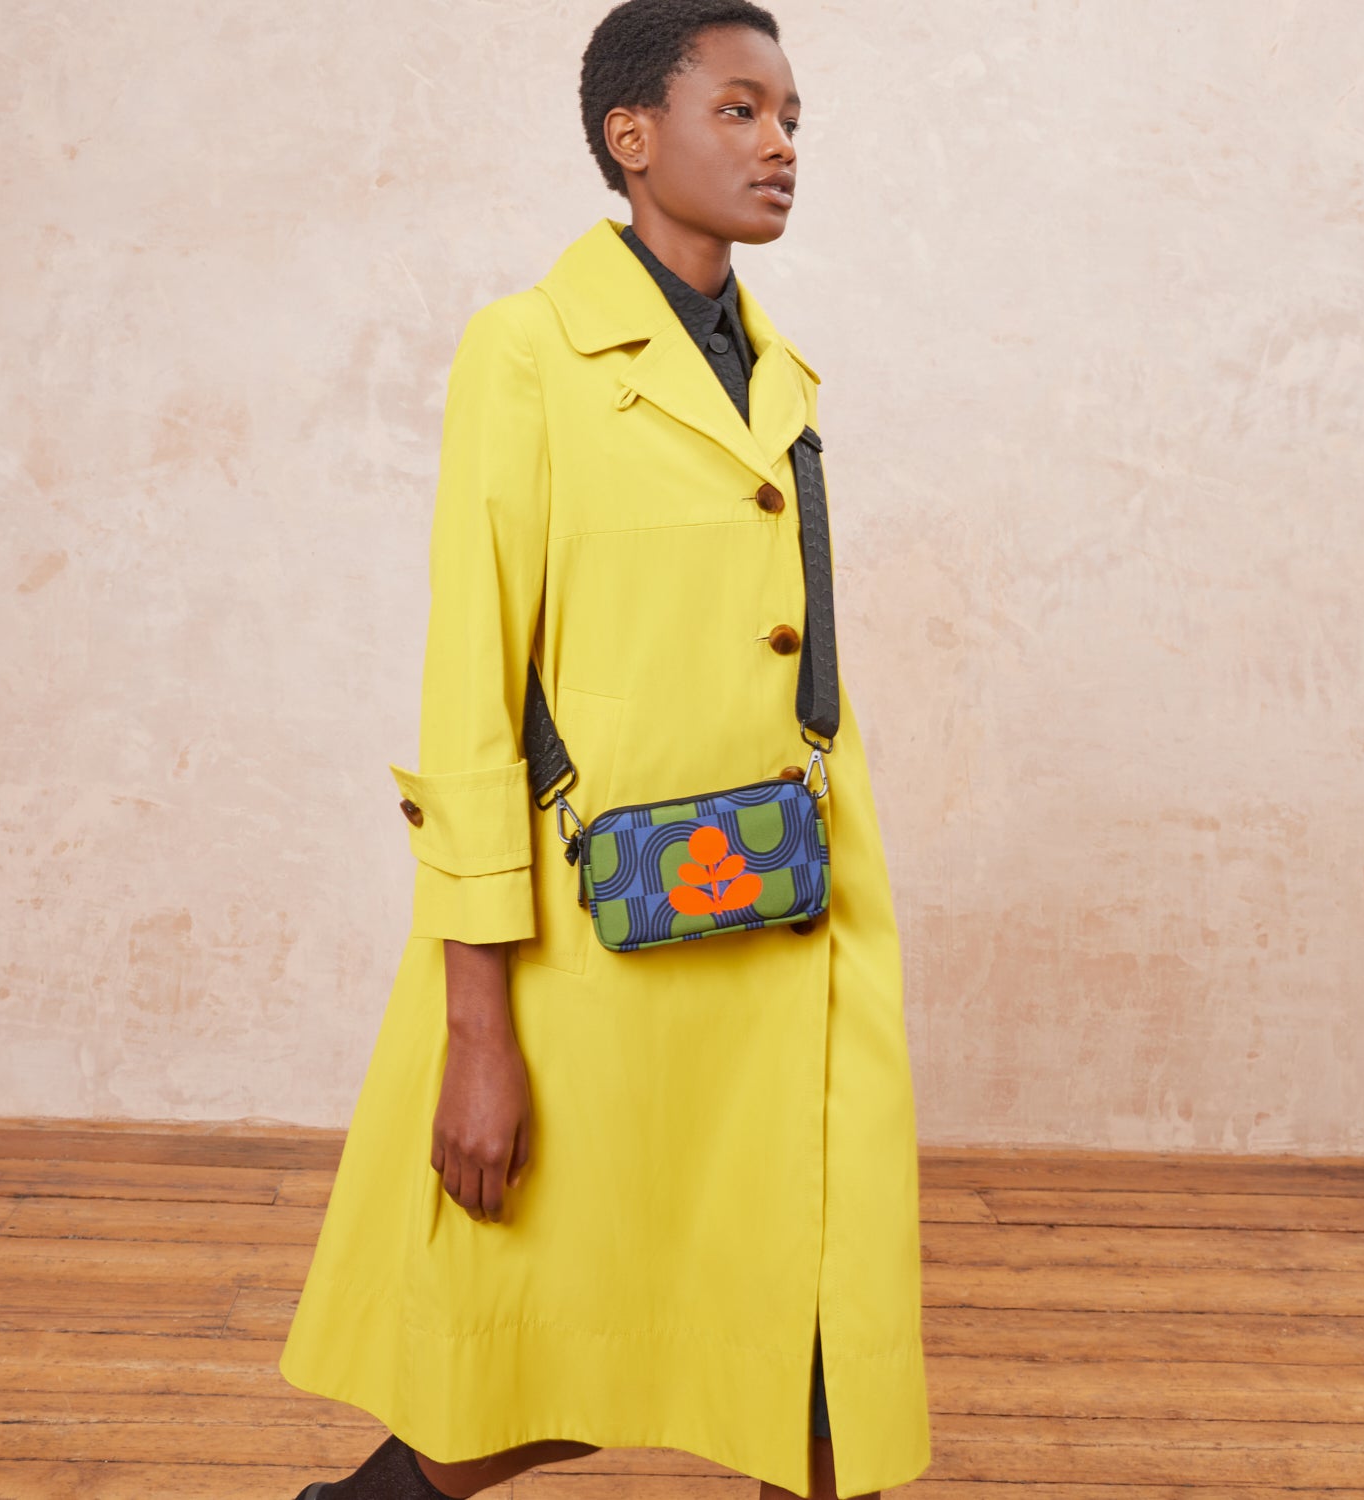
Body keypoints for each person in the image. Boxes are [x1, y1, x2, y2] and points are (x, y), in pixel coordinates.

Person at [278, 3, 931, 1498]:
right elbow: (473, 693)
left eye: (791, 117)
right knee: (556, 1338)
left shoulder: (783, 372)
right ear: (631, 137)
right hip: (606, 931)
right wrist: (478, 1029)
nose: (779, 144)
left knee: (818, 1349)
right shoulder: (527, 352)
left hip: (804, 912)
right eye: (740, 109)